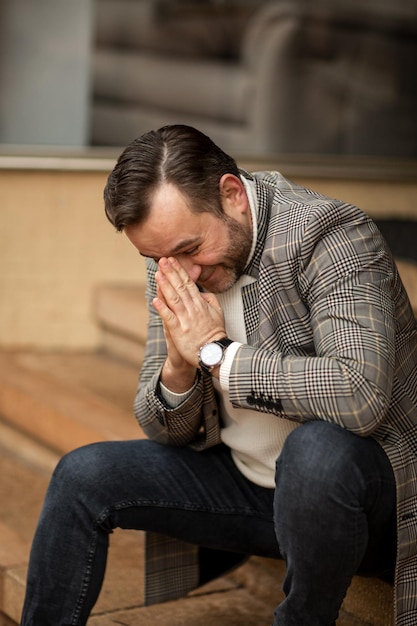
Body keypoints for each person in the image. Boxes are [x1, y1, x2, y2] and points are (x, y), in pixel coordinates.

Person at [21, 125, 417, 626]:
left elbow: (360, 394)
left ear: (232, 195)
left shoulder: (332, 236)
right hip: (250, 490)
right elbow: (160, 427)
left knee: (316, 452)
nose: (181, 272)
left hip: (362, 506)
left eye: (191, 249)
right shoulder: (171, 255)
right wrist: (181, 364)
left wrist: (217, 354)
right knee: (82, 475)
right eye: (160, 258)